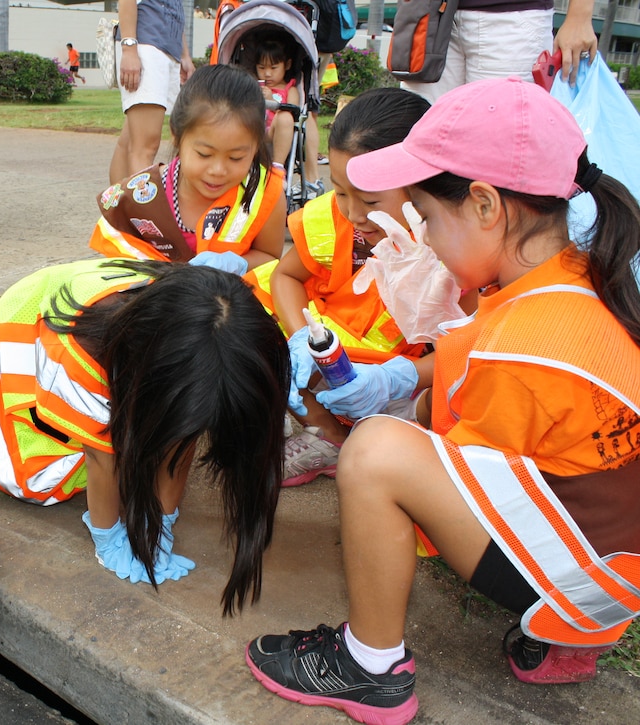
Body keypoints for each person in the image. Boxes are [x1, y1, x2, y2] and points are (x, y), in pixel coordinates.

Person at [246, 77, 640, 725]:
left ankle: (369, 667)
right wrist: (404, 378)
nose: (422, 238)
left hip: (582, 580)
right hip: (613, 564)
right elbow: (480, 343)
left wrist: (387, 415)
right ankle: (570, 640)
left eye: (427, 217)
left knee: (377, 455)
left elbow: (454, 477)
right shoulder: (578, 274)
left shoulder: (517, 349)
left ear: (486, 205)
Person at [0, 257, 290, 615]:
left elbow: (179, 444)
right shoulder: (76, 356)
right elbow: (101, 459)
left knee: (136, 442)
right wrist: (108, 535)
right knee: (29, 472)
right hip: (31, 323)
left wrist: (162, 523)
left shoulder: (218, 326)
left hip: (111, 334)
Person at [243, 87, 441, 487]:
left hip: (403, 379)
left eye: (369, 201)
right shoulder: (337, 219)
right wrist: (300, 339)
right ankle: (328, 436)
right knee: (243, 314)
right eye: (340, 192)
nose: (353, 214)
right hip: (338, 352)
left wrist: (400, 377)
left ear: (424, 187)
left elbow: (471, 353)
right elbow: (284, 275)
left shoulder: (452, 245)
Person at [91, 64, 286, 274]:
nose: (218, 170)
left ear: (257, 145)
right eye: (204, 154)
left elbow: (270, 258)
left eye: (236, 157)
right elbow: (115, 266)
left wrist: (240, 264)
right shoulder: (140, 196)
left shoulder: (264, 195)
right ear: (177, 135)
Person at [402, 0, 597, 103]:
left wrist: (580, 14)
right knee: (417, 140)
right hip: (427, 15)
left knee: (499, 147)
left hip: (511, 18)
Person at [108, 0, 196, 184]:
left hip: (166, 49)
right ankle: (140, 210)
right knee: (145, 146)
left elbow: (176, 10)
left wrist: (184, 55)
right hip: (146, 45)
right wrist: (129, 48)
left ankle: (116, 207)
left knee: (132, 139)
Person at [241, 30, 301, 170]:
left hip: (274, 131)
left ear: (286, 65)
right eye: (261, 68)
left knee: (286, 116)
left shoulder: (289, 89)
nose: (267, 74)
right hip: (253, 129)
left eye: (274, 68)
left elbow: (294, 111)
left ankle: (277, 167)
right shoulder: (252, 85)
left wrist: (271, 99)